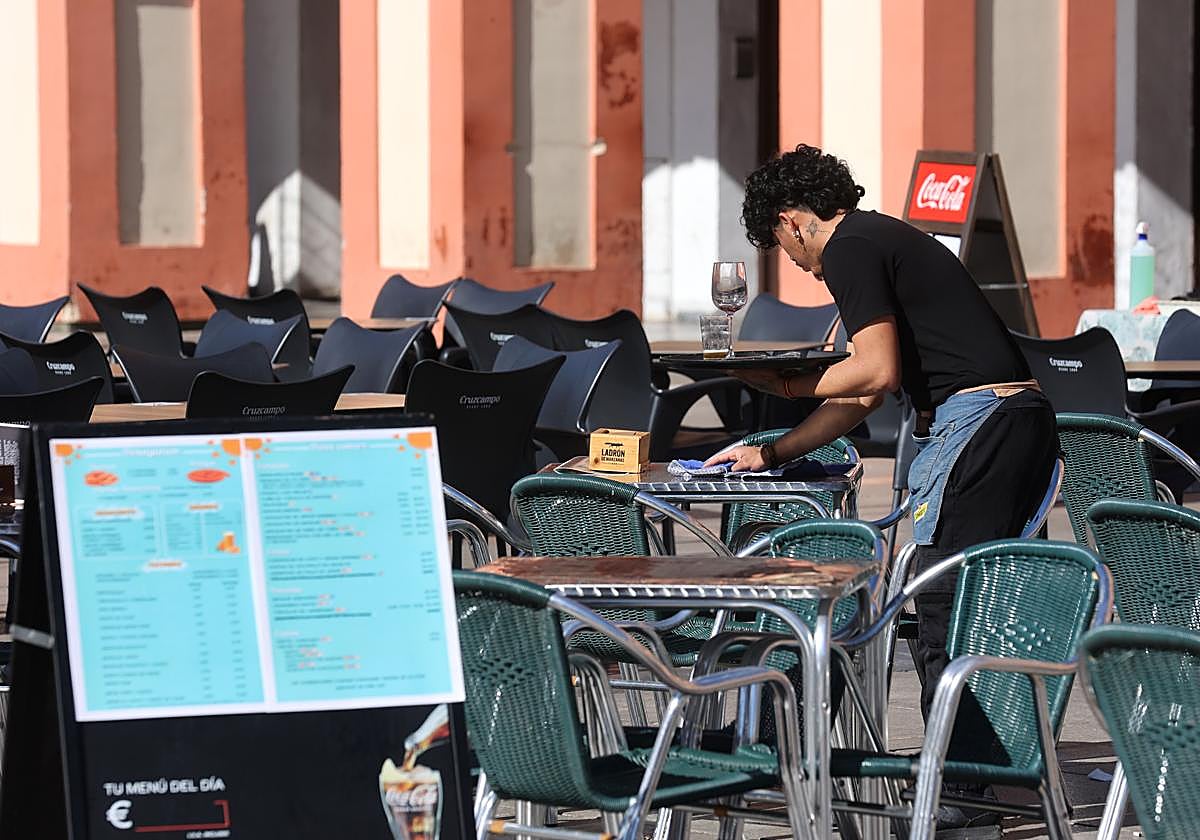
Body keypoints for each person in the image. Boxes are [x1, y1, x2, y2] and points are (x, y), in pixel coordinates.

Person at [706, 144, 1057, 834]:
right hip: (1017, 421)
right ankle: (989, 768)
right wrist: (771, 450)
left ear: (790, 220)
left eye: (781, 244)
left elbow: (875, 371)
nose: (795, 263)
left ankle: (962, 786)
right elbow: (862, 398)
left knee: (942, 601)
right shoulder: (881, 238)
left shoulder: (849, 248)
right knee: (985, 604)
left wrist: (787, 383)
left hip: (981, 424)